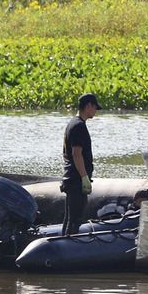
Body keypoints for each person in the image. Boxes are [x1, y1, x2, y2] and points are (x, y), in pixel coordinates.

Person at [62, 93, 100, 236]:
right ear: (88, 106)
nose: (95, 111)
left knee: (70, 219)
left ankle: (64, 245)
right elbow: (76, 154)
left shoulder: (73, 123)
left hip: (71, 178)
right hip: (76, 180)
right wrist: (84, 178)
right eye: (95, 107)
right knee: (75, 220)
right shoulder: (79, 126)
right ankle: (67, 250)